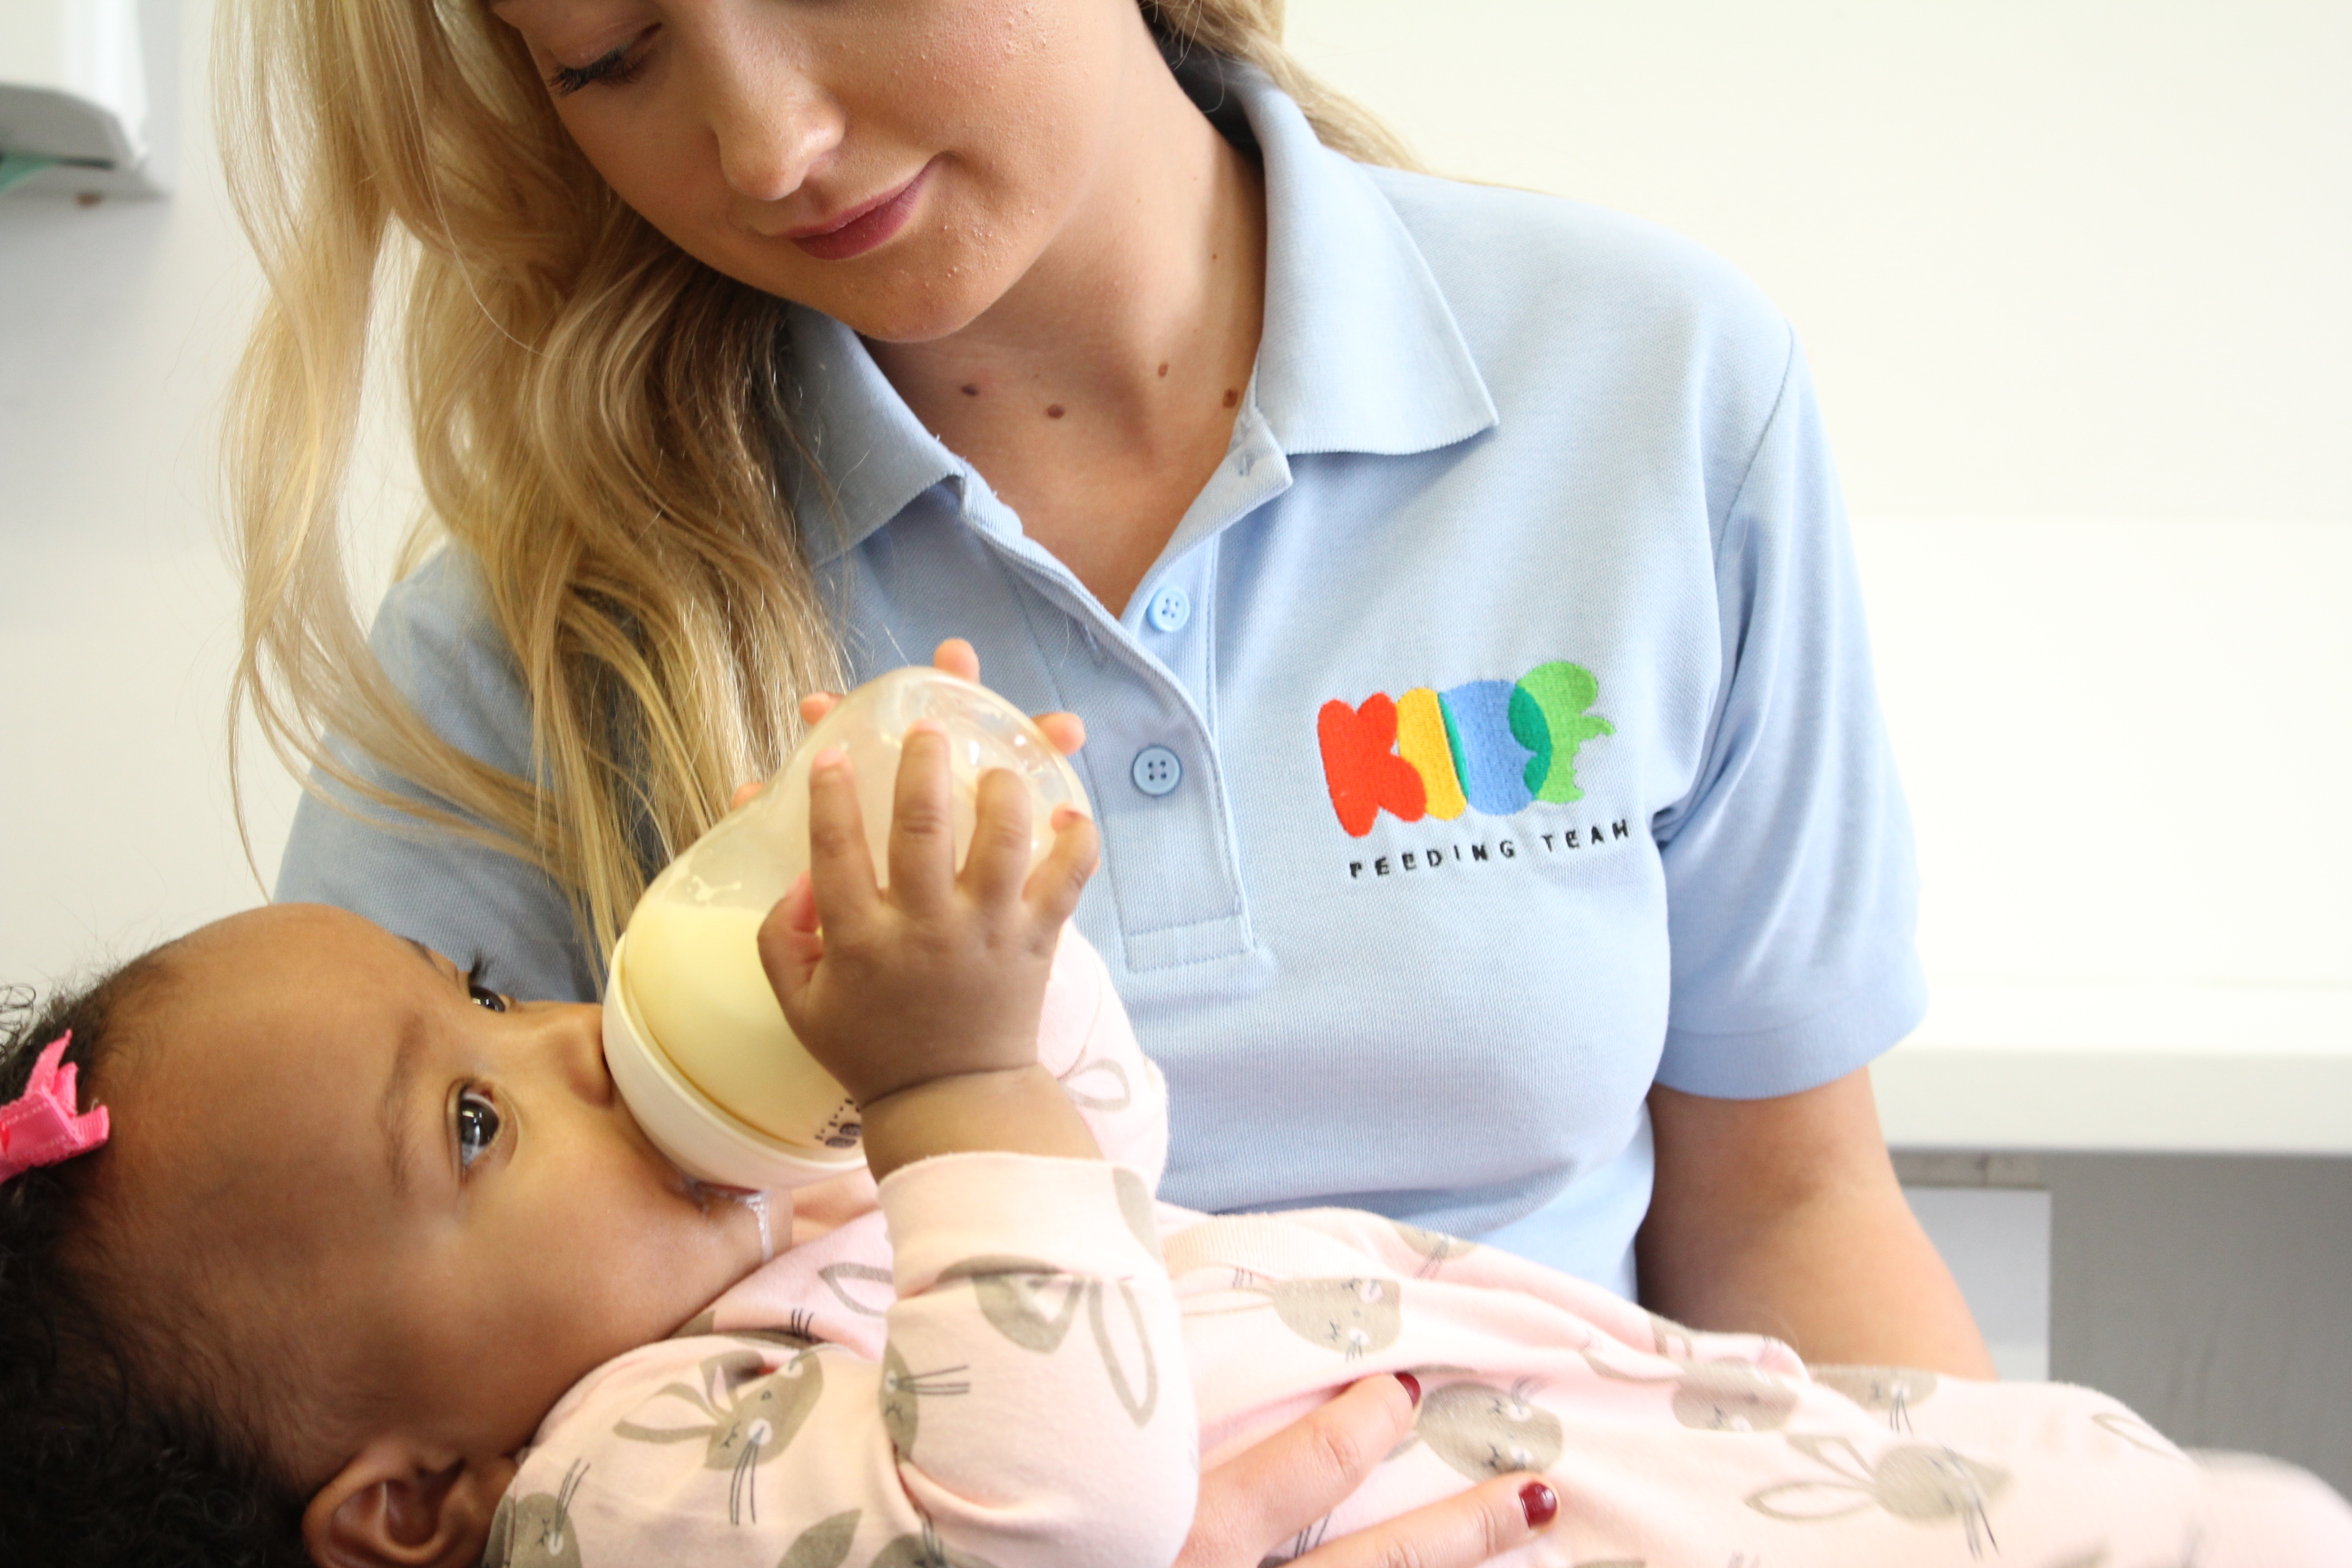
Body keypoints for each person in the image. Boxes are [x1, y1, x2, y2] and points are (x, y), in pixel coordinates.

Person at [230, 0, 1990, 1553]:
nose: (768, 144)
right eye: (610, 58)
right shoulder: (527, 649)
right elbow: (390, 1458)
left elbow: (1793, 1206)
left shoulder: (1649, 388)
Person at [5, 740, 2347, 1568]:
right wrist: (934, 1094)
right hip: (1634, 1512)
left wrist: (998, 966)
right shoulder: (627, 1482)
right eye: (480, 1114)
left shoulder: (763, 1248)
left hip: (1713, 1436)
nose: (572, 1036)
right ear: (398, 1503)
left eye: (486, 988)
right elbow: (1063, 1507)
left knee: (2201, 1511)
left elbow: (1091, 1168)